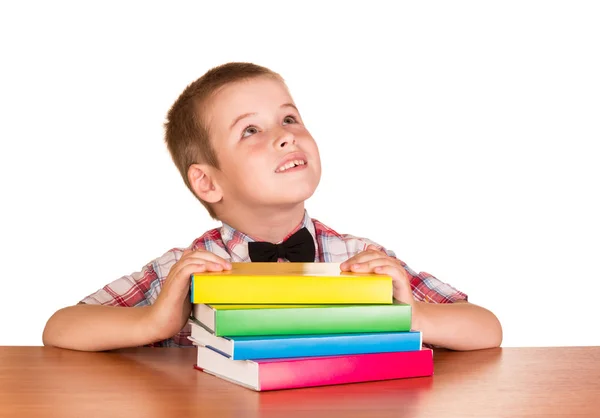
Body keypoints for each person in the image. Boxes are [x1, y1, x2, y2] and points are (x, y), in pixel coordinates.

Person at [42, 62, 502, 352]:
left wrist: (412, 315)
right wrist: (154, 318)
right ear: (207, 181)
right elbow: (60, 329)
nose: (286, 135)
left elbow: (486, 329)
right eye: (250, 130)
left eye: (289, 118)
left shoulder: (362, 261)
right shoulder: (186, 271)